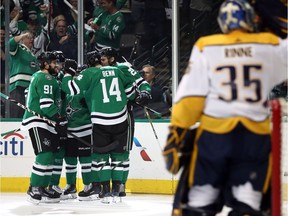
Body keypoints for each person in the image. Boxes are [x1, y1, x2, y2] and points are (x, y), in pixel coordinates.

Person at [162, 0, 287, 215]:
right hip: (254, 139)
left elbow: (191, 98)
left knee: (198, 204)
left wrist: (176, 134)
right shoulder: (268, 44)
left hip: (214, 138)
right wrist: (273, 9)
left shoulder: (207, 46)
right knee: (248, 205)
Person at [61, 53, 136, 202]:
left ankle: (105, 192)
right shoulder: (118, 70)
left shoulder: (89, 73)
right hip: (121, 119)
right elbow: (132, 90)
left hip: (101, 122)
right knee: (118, 158)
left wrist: (68, 73)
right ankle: (117, 191)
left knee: (101, 158)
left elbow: (71, 88)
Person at [99, 47, 151, 196]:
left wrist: (145, 92)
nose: (100, 61)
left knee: (121, 153)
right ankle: (105, 187)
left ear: (112, 59)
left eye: (103, 58)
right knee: (104, 153)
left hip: (123, 114)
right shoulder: (98, 71)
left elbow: (142, 83)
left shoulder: (123, 68)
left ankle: (120, 184)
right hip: (103, 116)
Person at [20, 51, 68, 204]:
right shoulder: (46, 77)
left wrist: (56, 120)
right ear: (46, 64)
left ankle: (43, 187)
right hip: (39, 121)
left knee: (51, 155)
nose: (57, 66)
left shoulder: (40, 77)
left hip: (47, 122)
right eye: (54, 63)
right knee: (45, 155)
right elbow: (46, 103)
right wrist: (58, 118)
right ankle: (34, 187)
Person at [9, 31, 39, 118]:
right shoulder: (19, 49)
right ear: (22, 39)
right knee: (17, 115)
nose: (31, 39)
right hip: (18, 87)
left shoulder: (33, 56)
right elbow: (10, 43)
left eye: (32, 38)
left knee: (26, 116)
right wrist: (23, 35)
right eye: (28, 37)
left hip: (30, 89)